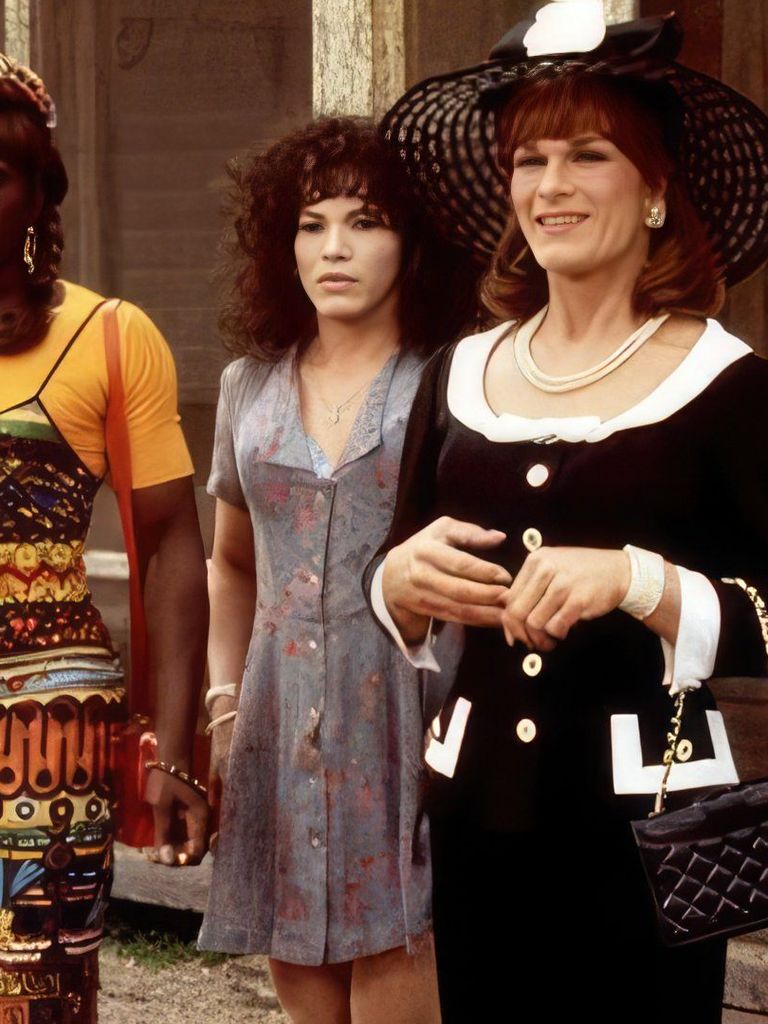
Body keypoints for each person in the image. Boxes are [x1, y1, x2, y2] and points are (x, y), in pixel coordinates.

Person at [369, 8, 768, 1023]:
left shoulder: (731, 386)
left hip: (648, 841)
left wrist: (640, 581)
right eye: (530, 160)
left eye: (588, 154)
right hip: (477, 818)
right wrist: (397, 586)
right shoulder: (459, 372)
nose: (551, 186)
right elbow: (395, 562)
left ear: (657, 187)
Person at [197, 116, 479, 1024]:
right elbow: (230, 562)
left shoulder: (455, 382)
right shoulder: (247, 386)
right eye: (312, 224)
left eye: (365, 221)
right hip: (281, 727)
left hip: (411, 719)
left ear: (413, 241)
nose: (335, 248)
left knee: (406, 972)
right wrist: (224, 703)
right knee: (305, 990)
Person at [0, 56, 208, 1022]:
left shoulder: (110, 338)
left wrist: (173, 750)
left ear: (39, 193)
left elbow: (170, 546)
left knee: (34, 989)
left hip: (46, 720)